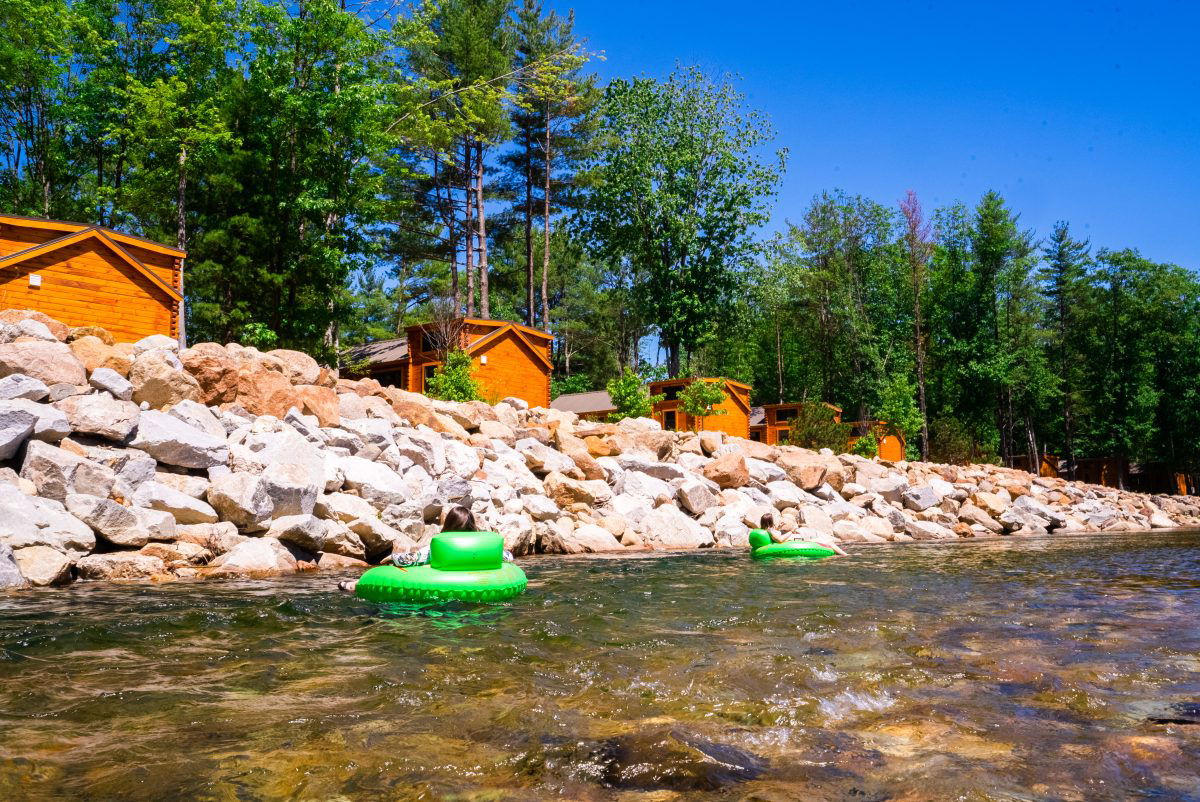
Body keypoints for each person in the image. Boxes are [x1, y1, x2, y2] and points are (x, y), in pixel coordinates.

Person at [337, 505, 514, 591]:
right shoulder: (482, 545)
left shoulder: (443, 544)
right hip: (479, 585)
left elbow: (416, 558)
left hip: (446, 586)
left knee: (374, 578)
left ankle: (353, 585)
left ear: (448, 526)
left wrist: (393, 558)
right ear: (473, 526)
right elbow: (507, 557)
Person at [760, 511, 849, 556]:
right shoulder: (770, 530)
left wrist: (779, 528)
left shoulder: (769, 530)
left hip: (797, 540)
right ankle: (845, 555)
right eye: (775, 517)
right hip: (798, 542)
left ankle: (841, 554)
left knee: (826, 541)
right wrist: (791, 531)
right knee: (829, 542)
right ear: (770, 521)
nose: (778, 519)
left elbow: (776, 536)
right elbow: (779, 540)